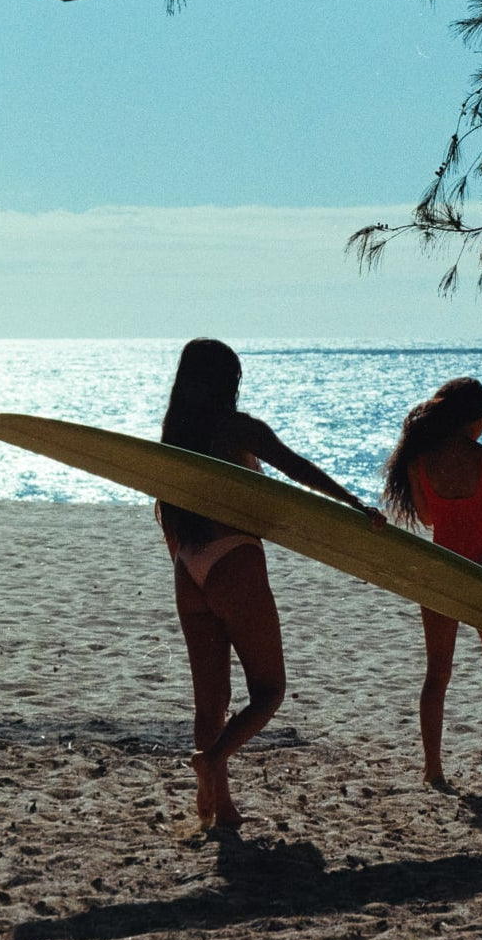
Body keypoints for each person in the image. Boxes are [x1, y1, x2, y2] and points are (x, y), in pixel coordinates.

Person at [157, 337, 385, 828]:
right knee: (269, 691)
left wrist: (186, 564)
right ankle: (213, 761)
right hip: (233, 560)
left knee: (211, 700)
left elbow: (165, 509)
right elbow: (297, 470)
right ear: (228, 382)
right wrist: (354, 505)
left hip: (187, 566)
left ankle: (218, 806)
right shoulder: (239, 429)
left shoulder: (174, 435)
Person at [383, 377, 482, 786]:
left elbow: (430, 519)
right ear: (476, 420)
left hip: (440, 569)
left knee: (437, 674)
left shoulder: (419, 461)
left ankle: (432, 767)